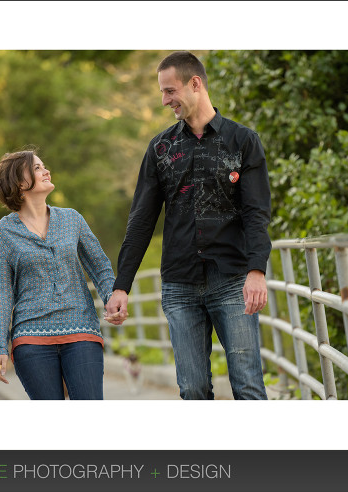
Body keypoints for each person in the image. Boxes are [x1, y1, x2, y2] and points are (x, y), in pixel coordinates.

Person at [105, 51, 271, 400]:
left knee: (248, 387)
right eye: (162, 92)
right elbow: (140, 222)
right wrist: (122, 285)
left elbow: (257, 213)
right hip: (179, 285)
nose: (165, 100)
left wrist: (257, 270)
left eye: (170, 91)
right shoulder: (161, 149)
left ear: (196, 84)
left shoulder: (243, 141)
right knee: (193, 390)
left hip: (232, 280)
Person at [0, 149, 126, 400]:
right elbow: (3, 292)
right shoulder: (2, 233)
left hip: (81, 329)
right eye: (37, 168)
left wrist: (110, 297)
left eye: (43, 166)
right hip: (31, 339)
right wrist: (0, 346)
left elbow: (100, 266)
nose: (46, 171)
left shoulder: (72, 219)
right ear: (19, 183)